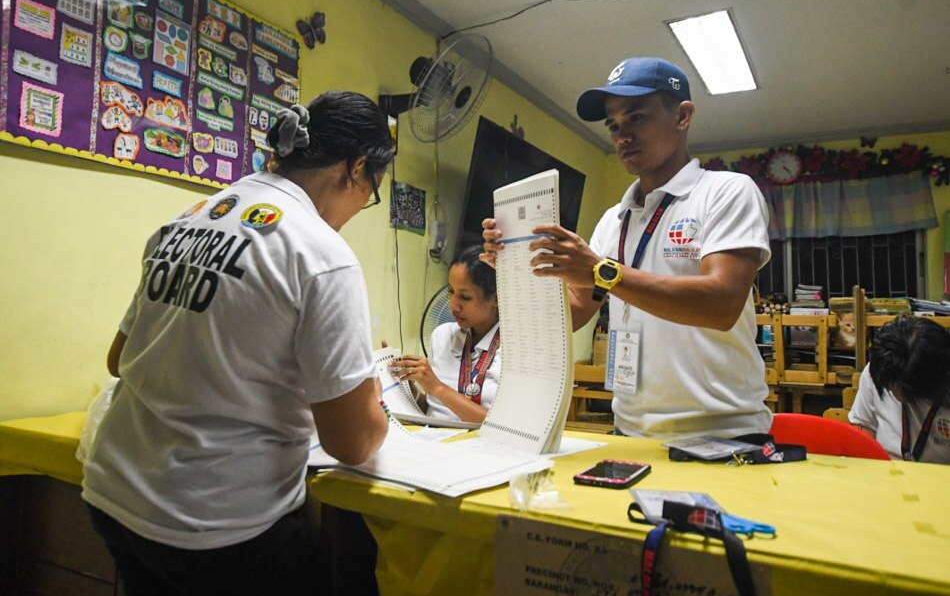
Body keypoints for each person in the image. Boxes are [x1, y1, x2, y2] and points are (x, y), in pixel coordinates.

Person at [82, 91, 393, 595]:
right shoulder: (323, 253)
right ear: (355, 169)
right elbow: (352, 442)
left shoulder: (191, 216)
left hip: (113, 495)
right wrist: (374, 398)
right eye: (370, 192)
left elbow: (120, 360)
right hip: (213, 526)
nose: (361, 208)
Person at [482, 56, 772, 439]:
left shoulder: (726, 192)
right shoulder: (612, 221)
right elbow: (576, 314)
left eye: (636, 117)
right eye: (614, 125)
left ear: (682, 116)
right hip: (630, 432)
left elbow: (721, 304)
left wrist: (604, 272)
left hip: (721, 434)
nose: (622, 135)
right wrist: (516, 272)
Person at [388, 245, 500, 424]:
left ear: (495, 298)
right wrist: (409, 386)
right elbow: (433, 410)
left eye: (465, 297)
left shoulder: (516, 349)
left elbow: (505, 427)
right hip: (433, 440)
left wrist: (437, 387)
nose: (453, 305)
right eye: (450, 292)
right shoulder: (442, 335)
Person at [849, 316, 950, 463]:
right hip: (887, 475)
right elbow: (864, 427)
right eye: (890, 386)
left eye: (903, 388)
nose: (895, 393)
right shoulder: (881, 370)